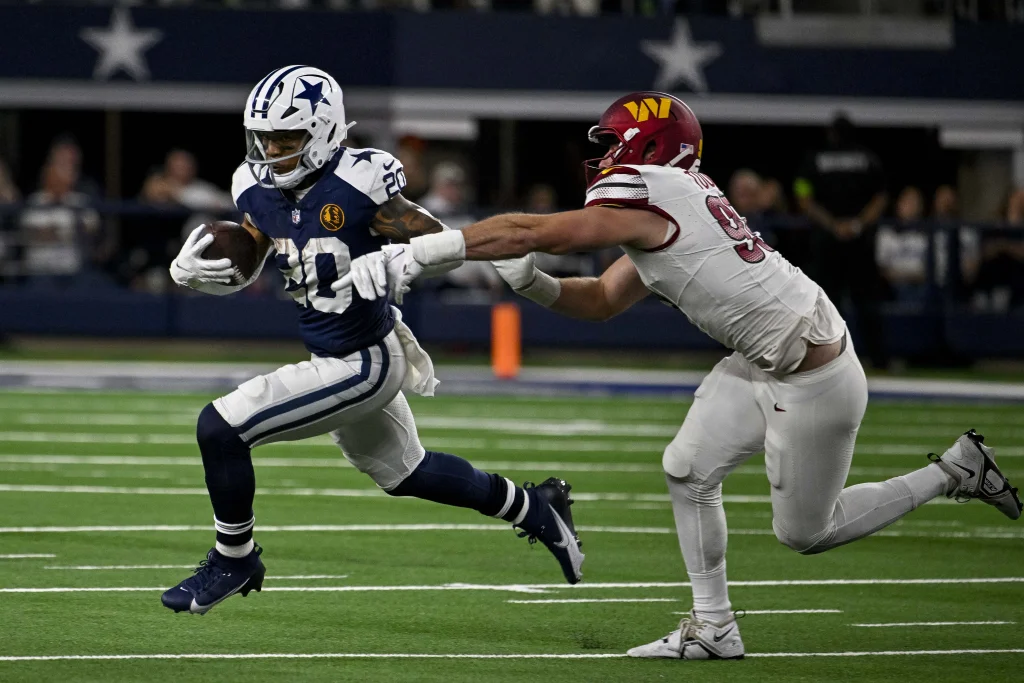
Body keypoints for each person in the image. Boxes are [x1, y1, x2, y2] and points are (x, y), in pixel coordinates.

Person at [357, 91, 1022, 660]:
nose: (604, 157)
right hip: (762, 360)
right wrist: (532, 284)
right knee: (686, 467)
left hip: (813, 374)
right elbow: (600, 299)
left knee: (806, 532)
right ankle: (713, 627)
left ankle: (955, 470)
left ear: (648, 147)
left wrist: (431, 250)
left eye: (615, 144)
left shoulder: (659, 192)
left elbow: (543, 229)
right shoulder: (671, 203)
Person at [161, 65, 583, 615]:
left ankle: (234, 557)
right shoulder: (254, 185)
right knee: (408, 472)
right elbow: (265, 245)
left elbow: (429, 237)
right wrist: (206, 272)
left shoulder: (362, 182)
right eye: (263, 136)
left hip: (363, 360)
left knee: (220, 427)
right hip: (329, 352)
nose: (271, 149)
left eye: (286, 138)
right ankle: (535, 506)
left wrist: (417, 262)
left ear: (325, 133)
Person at [794, 114, 889, 368]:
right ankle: (878, 359)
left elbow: (803, 197)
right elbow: (880, 198)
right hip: (860, 241)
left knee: (825, 305)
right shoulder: (868, 159)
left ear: (832, 133)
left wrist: (833, 225)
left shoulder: (814, 159)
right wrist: (856, 224)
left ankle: (826, 361)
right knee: (867, 302)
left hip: (827, 241)